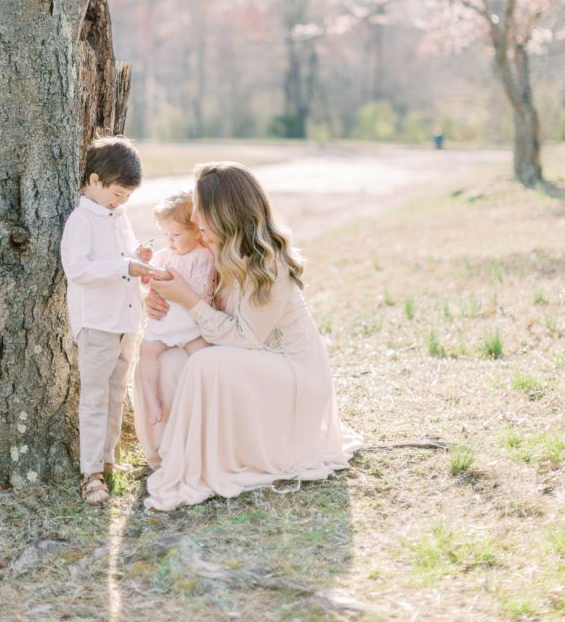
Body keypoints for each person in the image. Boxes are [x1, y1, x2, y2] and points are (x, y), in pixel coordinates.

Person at [135, 161, 363, 511]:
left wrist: (189, 300)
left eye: (201, 211)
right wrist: (160, 303)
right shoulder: (210, 252)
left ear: (224, 213)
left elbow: (245, 339)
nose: (194, 219)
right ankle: (173, 455)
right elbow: (192, 303)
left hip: (289, 372)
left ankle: (208, 459)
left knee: (206, 363)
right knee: (163, 359)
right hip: (242, 357)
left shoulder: (269, 262)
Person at [60, 136, 151, 505]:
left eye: (127, 197)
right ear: (95, 181)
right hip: (97, 324)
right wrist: (123, 265)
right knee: (95, 398)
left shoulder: (119, 216)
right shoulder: (82, 220)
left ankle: (109, 460)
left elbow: (123, 260)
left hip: (125, 321)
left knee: (116, 394)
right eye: (117, 193)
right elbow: (78, 269)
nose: (121, 202)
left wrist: (137, 256)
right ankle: (90, 473)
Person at [136, 191, 215, 426]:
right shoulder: (163, 255)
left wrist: (171, 278)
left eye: (176, 234)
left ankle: (204, 402)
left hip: (190, 325)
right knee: (147, 352)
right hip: (164, 324)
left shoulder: (202, 256)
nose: (169, 240)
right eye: (165, 234)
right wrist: (144, 268)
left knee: (203, 357)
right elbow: (146, 285)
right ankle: (153, 402)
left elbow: (200, 290)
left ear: (195, 231)